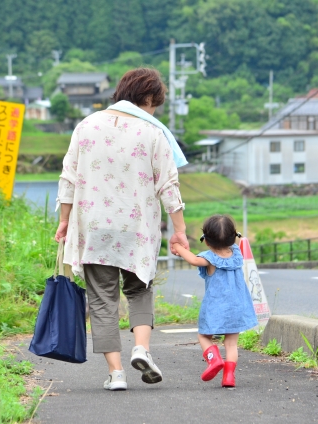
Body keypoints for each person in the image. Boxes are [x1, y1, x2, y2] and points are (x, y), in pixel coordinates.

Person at [54, 68, 189, 391]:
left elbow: (68, 178)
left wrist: (64, 219)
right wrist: (179, 230)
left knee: (102, 300)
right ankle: (141, 349)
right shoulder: (153, 132)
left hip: (94, 227)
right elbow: (168, 186)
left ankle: (115, 374)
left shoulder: (86, 126)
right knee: (139, 290)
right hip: (137, 228)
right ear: (148, 98)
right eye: (155, 104)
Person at [172, 214, 258, 387]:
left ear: (206, 240)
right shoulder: (237, 253)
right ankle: (229, 377)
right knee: (231, 344)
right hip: (237, 307)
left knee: (204, 336)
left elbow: (193, 260)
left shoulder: (209, 258)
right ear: (233, 237)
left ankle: (214, 359)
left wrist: (177, 247)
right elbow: (235, 243)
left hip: (215, 308)